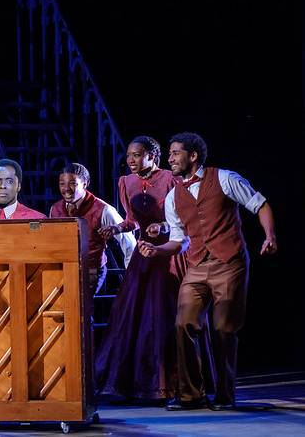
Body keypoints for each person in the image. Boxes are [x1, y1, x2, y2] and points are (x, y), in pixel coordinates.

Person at [138, 132, 277, 411]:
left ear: (193, 156)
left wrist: (270, 236)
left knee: (224, 328)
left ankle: (225, 395)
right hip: (198, 265)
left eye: (176, 153)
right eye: (170, 153)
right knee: (183, 324)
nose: (170, 159)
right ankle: (191, 395)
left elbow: (260, 204)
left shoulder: (224, 178)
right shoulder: (173, 197)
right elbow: (179, 241)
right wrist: (157, 250)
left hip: (229, 262)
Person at [94, 136, 214, 401]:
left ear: (152, 156)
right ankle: (136, 384)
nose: (131, 160)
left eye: (137, 155)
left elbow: (184, 218)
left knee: (166, 316)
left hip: (170, 252)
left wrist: (163, 227)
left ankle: (174, 385)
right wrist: (116, 228)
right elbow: (132, 221)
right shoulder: (126, 182)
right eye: (129, 156)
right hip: (144, 257)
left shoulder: (170, 179)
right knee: (135, 318)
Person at [49, 163, 136, 293]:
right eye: (62, 184)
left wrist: (132, 276)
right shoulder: (55, 209)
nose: (66, 189)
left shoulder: (103, 209)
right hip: (63, 269)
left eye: (73, 183)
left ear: (85, 184)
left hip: (91, 270)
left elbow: (128, 243)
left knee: (80, 308)